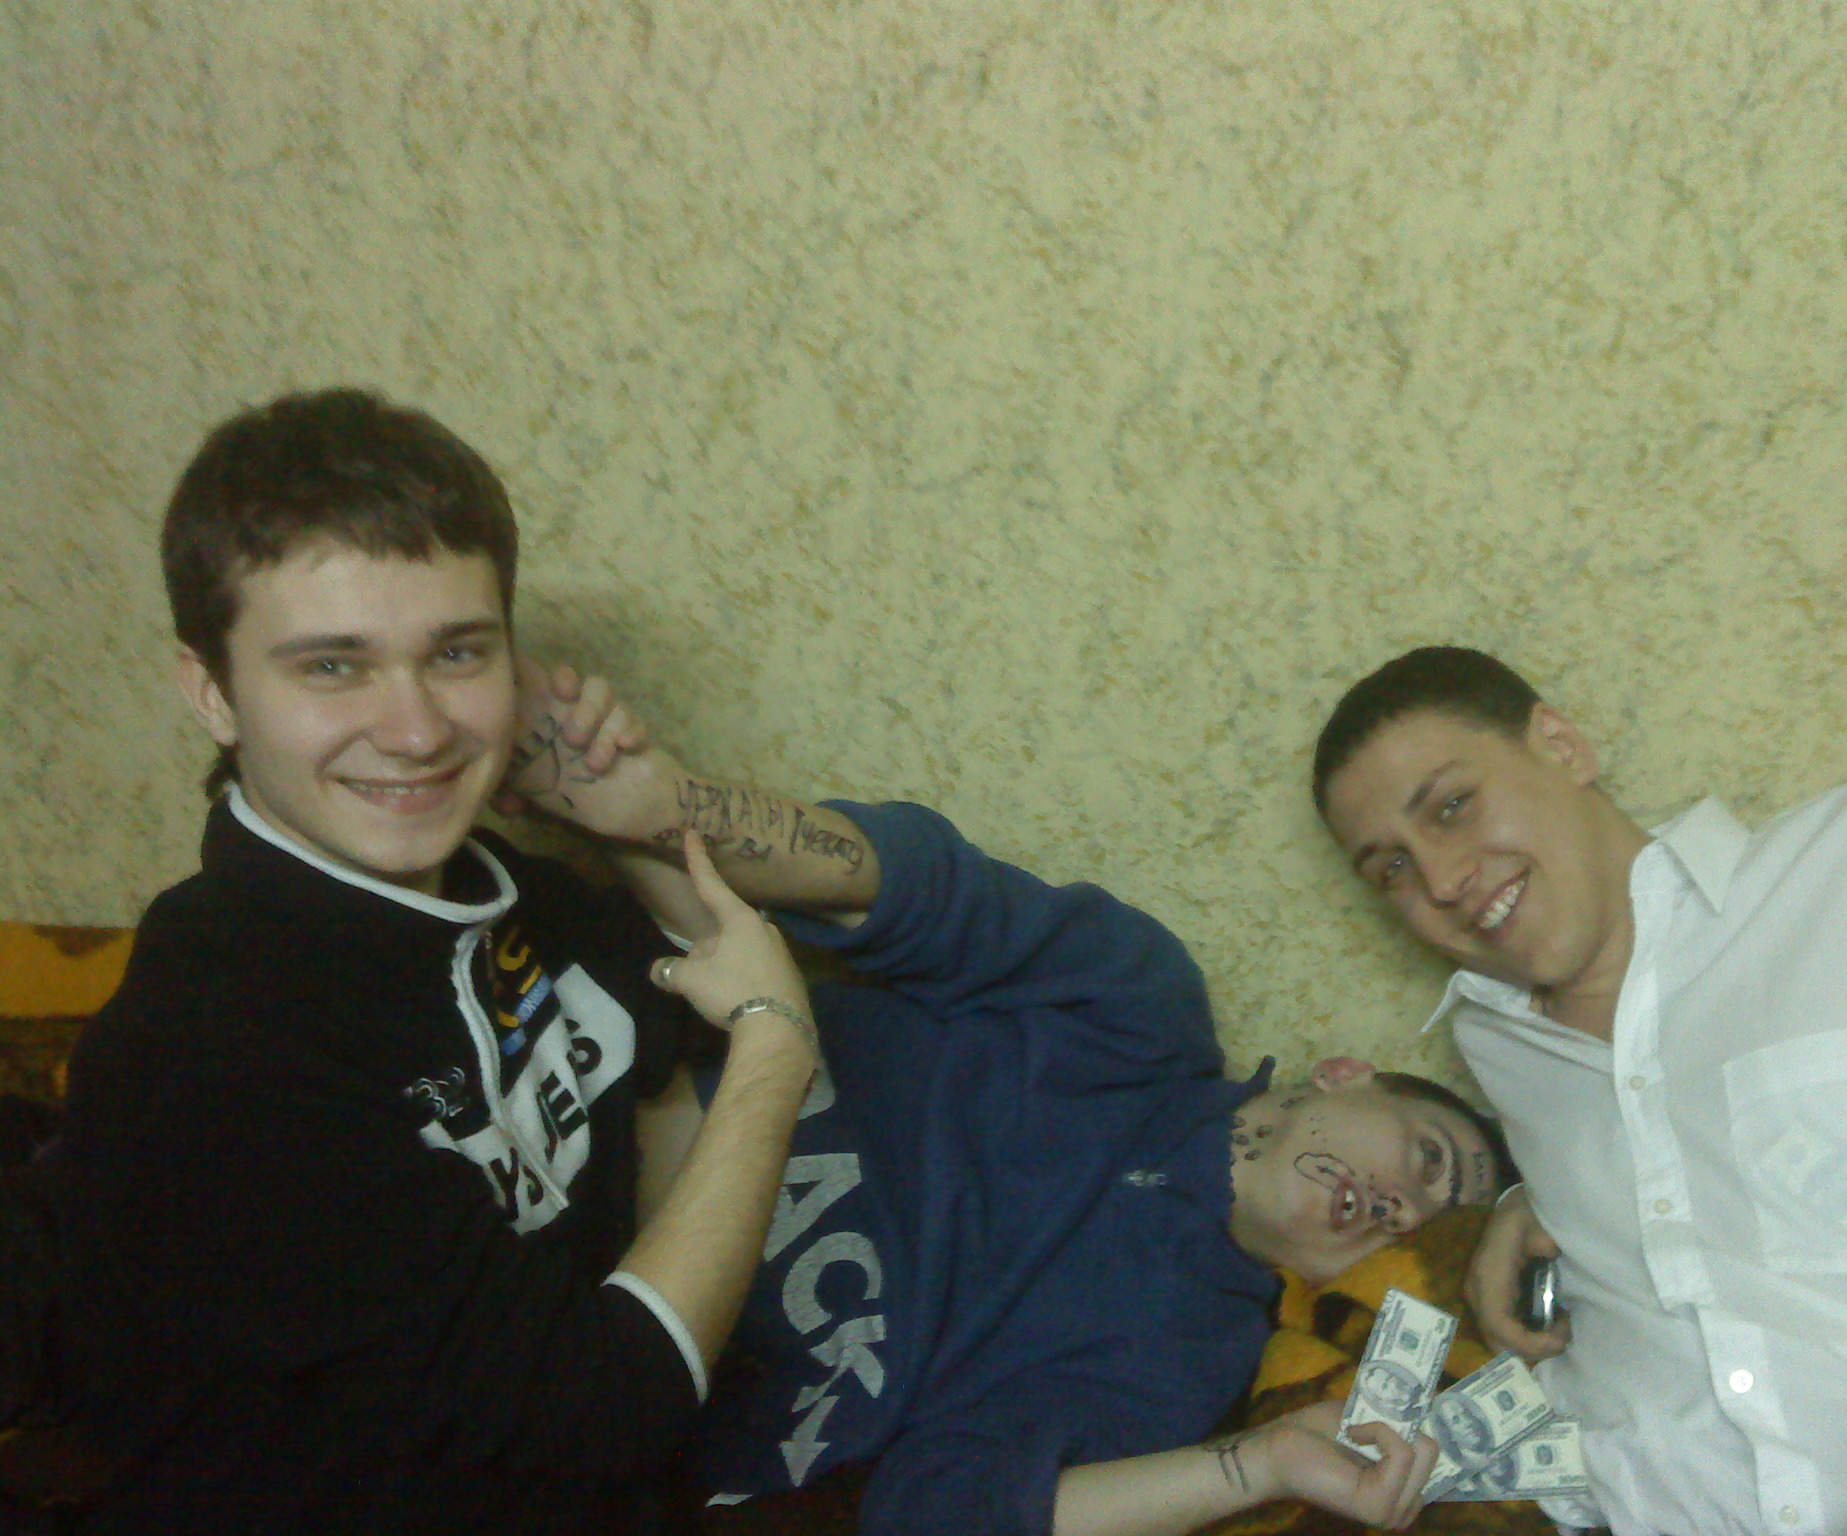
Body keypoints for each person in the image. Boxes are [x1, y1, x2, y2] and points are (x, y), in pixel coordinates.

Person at [50, 387, 825, 1534]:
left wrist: (624, 812)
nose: (416, 732)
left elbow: (684, 986)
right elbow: (614, 1409)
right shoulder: (209, 1056)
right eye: (332, 667)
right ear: (211, 691)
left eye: (457, 653)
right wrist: (775, 1051)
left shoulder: (486, 885)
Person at [499, 693, 1519, 1536]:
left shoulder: (1188, 1352)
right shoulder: (1138, 1007)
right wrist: (665, 806)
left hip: (599, 1400)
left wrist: (1260, 1464)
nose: (1398, 1209)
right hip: (572, 1114)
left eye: (1411, 1235)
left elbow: (950, 1506)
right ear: (1345, 1074)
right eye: (1430, 1163)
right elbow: (911, 891)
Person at [1310, 645, 1847, 1536]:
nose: (1440, 881)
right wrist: (1523, 1198)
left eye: (1452, 806)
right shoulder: (1495, 1043)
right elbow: (1676, 1159)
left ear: (1561, 746)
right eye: (1391, 869)